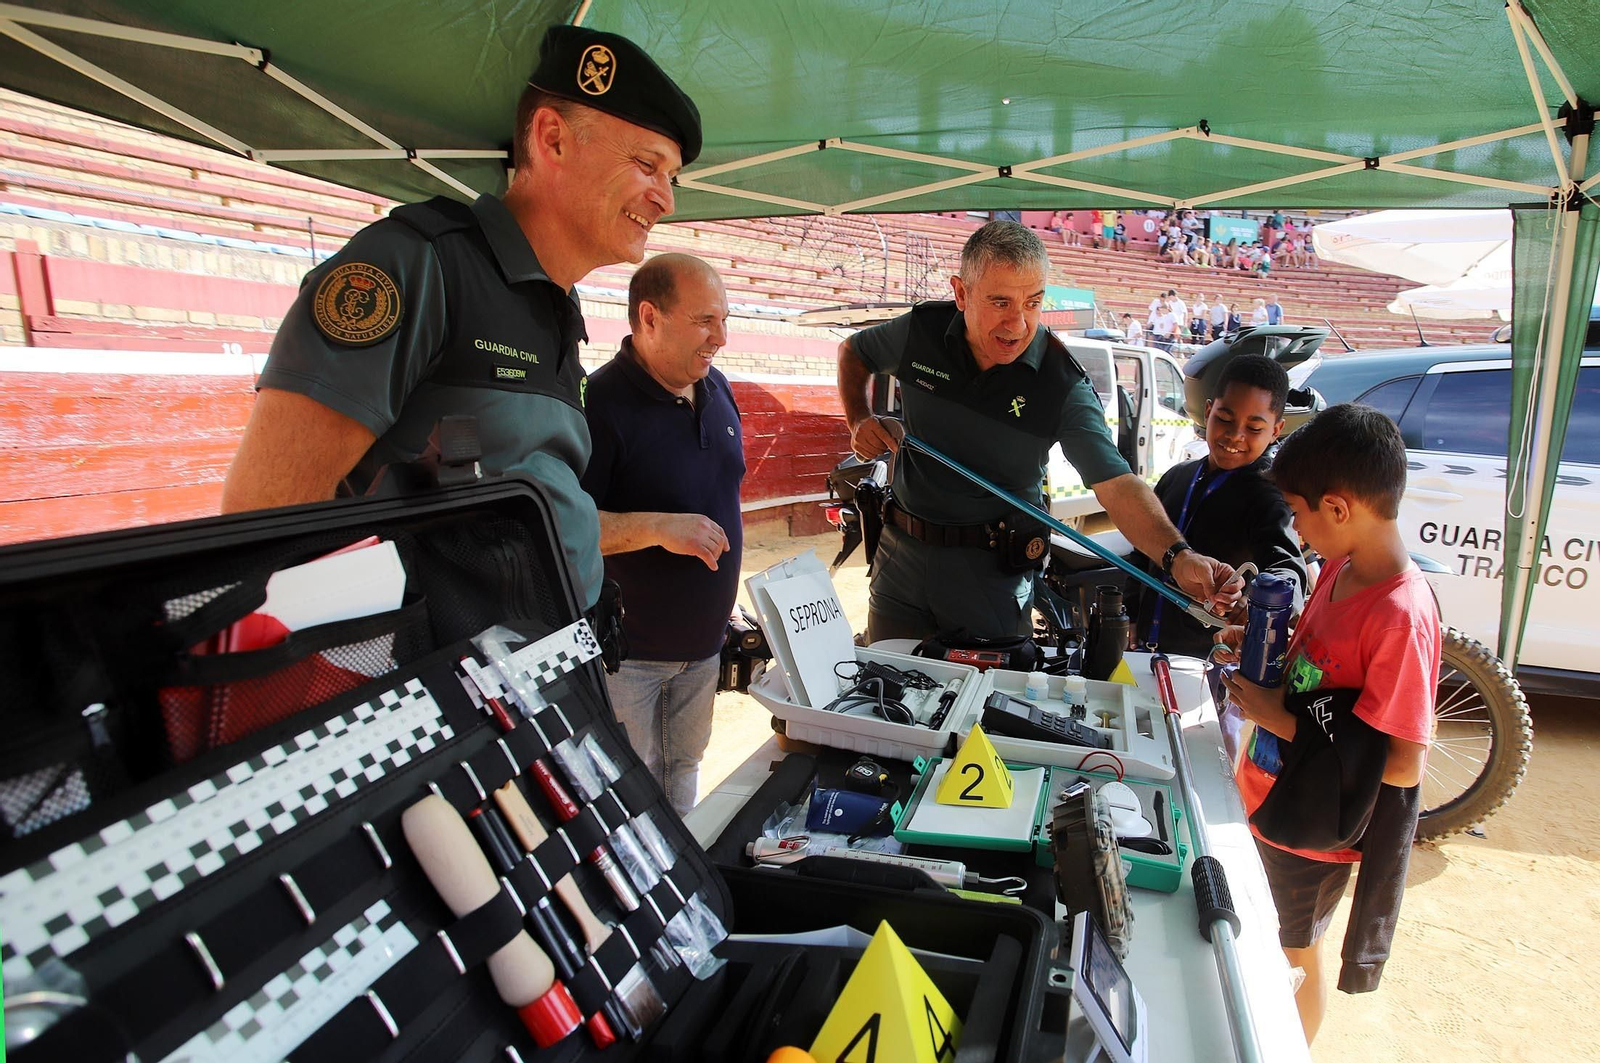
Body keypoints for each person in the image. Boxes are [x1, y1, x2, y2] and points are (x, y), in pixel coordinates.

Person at [220, 25, 701, 617]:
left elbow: (527, 501)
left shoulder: (559, 304)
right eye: (648, 165)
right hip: (446, 686)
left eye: (671, 177)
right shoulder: (416, 265)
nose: (666, 198)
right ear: (552, 138)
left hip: (547, 676)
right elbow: (265, 520)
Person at [836, 221, 1238, 642]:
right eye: (1000, 302)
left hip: (991, 577)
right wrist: (858, 418)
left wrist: (1177, 557)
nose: (1018, 324)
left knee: (982, 703)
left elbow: (1117, 485)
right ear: (961, 293)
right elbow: (854, 352)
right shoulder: (921, 331)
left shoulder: (1059, 382)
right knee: (883, 690)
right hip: (900, 558)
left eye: (1032, 302)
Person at [1219, 404, 1439, 1044]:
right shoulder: (1341, 568)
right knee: (1258, 940)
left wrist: (1275, 716)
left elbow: (1398, 762)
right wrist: (1262, 654)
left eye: (1299, 511)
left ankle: (1286, 1050)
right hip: (1269, 791)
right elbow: (1317, 668)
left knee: (1291, 955)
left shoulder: (1401, 614)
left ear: (1338, 509)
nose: (1296, 526)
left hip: (1313, 833)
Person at [582, 254, 740, 815]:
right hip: (629, 656)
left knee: (684, 773)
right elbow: (569, 526)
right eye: (704, 321)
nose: (720, 337)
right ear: (649, 317)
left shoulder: (717, 387)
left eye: (724, 319)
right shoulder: (597, 404)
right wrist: (657, 528)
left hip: (703, 646)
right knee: (626, 789)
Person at [1133, 355, 1307, 658]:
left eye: (1254, 428)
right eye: (1225, 419)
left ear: (1276, 430)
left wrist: (1255, 599)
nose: (1235, 435)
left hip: (1206, 663)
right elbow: (1141, 553)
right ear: (1209, 410)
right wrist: (1132, 615)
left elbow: (1288, 570)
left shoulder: (1269, 497)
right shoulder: (1177, 476)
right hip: (1145, 646)